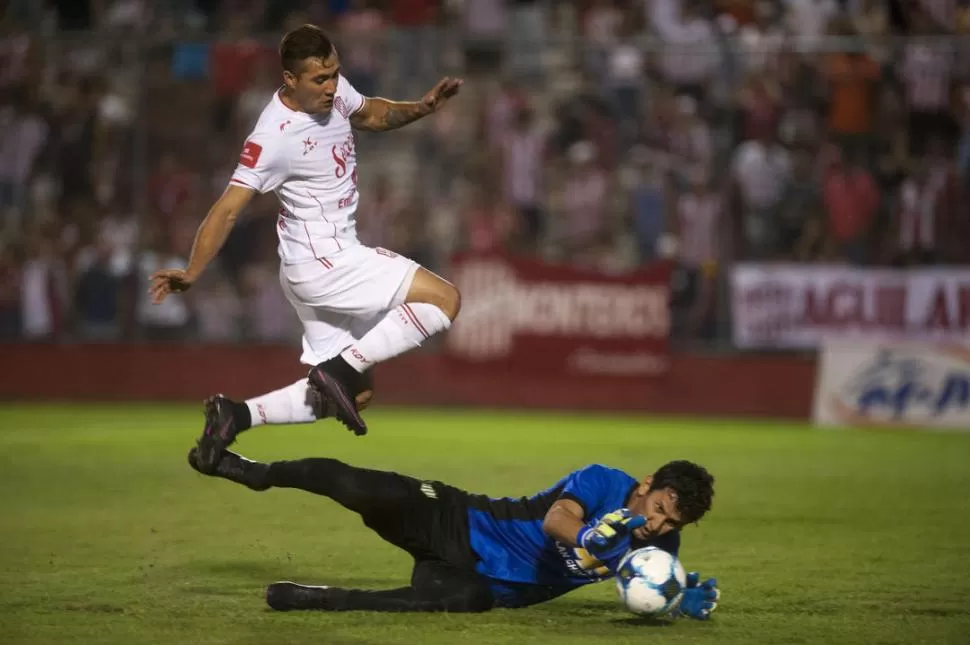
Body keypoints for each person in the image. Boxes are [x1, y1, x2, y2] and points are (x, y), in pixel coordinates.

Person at [148, 25, 464, 466]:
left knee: (357, 393)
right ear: (290, 79)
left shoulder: (332, 93)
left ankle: (234, 417)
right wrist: (193, 270)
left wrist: (423, 108)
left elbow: (373, 113)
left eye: (335, 74)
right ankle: (338, 368)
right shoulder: (273, 136)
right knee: (445, 299)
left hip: (307, 268)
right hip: (328, 262)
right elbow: (228, 208)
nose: (332, 86)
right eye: (320, 79)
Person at [188, 448, 721, 616]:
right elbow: (556, 519)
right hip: (460, 519)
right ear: (648, 485)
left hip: (487, 584)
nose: (658, 526)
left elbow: (640, 577)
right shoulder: (605, 481)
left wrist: (675, 594)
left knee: (454, 601)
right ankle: (258, 473)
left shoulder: (661, 546)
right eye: (659, 508)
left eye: (673, 523)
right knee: (359, 487)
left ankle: (322, 598)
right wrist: (586, 539)